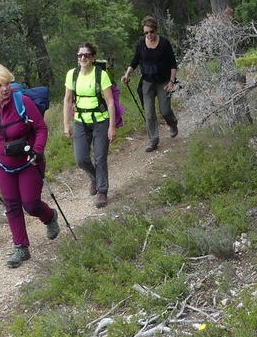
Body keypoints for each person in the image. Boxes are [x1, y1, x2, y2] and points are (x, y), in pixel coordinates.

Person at [0, 63, 60, 268]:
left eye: (7, 83)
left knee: (31, 204)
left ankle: (50, 217)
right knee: (11, 205)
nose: (5, 89)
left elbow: (41, 128)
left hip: (29, 161)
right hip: (3, 165)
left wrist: (38, 151)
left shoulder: (22, 101)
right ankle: (21, 248)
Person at [63, 43, 117, 208]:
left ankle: (102, 191)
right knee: (81, 159)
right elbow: (67, 100)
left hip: (100, 120)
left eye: (86, 55)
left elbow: (110, 102)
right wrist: (66, 123)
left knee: (100, 158)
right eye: (80, 55)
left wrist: (112, 126)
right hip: (80, 121)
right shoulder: (72, 75)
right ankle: (94, 178)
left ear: (93, 57)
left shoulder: (101, 75)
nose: (83, 58)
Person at [121, 15, 178, 152]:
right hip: (147, 82)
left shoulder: (164, 43)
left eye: (151, 32)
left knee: (164, 110)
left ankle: (173, 123)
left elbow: (173, 64)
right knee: (149, 113)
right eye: (146, 32)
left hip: (163, 82)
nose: (149, 35)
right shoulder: (141, 43)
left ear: (156, 30)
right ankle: (153, 140)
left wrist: (171, 82)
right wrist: (127, 74)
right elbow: (135, 61)